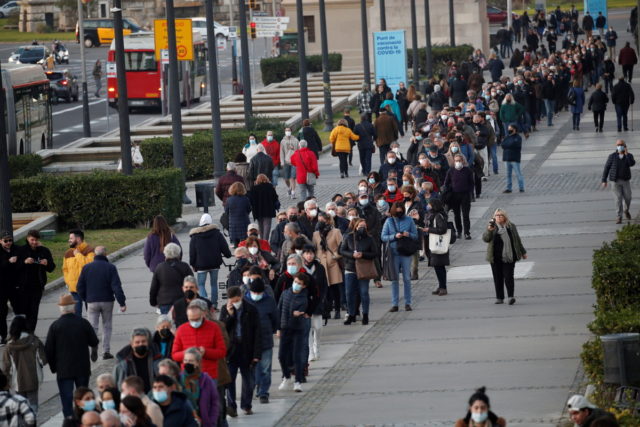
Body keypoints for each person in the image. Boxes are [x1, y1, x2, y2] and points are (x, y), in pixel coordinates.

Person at [45, 294, 99, 418]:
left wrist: (54, 367)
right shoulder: (82, 322)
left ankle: (69, 421)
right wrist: (93, 353)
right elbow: (94, 341)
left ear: (61, 309)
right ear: (73, 307)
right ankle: (84, 420)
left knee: (66, 398)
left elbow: (48, 350)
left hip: (64, 369)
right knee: (83, 397)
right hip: (82, 367)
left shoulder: (55, 326)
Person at [77, 246, 126, 360]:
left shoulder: (86, 268)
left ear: (94, 254)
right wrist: (122, 302)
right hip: (107, 301)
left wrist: (85, 298)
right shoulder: (111, 267)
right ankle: (106, 351)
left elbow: (80, 287)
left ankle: (93, 346)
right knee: (107, 326)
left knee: (93, 327)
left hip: (91, 301)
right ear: (105, 254)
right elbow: (116, 287)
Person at [219, 286, 261, 416]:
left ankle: (246, 405)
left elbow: (257, 333)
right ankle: (232, 407)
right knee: (229, 380)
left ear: (241, 297)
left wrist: (256, 354)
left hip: (246, 350)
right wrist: (230, 315)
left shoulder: (251, 309)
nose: (234, 303)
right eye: (232, 300)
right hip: (231, 350)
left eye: (236, 300)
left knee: (249, 381)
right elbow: (222, 329)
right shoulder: (225, 310)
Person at [172, 300, 227, 383]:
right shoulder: (181, 330)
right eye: (192, 319)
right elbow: (175, 355)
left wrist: (206, 352)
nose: (194, 322)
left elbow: (222, 352)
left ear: (202, 315)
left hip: (209, 375)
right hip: (188, 375)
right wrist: (187, 354)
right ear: (188, 317)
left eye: (197, 319)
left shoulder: (214, 328)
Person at [482, 209, 527, 305]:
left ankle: (510, 296)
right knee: (497, 278)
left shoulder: (511, 226)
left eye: (501, 215)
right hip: (495, 257)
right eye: (497, 215)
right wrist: (489, 230)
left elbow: (517, 240)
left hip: (509, 257)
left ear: (505, 216)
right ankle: (499, 297)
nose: (498, 217)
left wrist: (523, 252)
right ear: (494, 217)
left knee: (508, 277)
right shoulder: (492, 227)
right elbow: (486, 239)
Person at [1, 316, 46, 412]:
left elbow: (6, 367)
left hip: (17, 381)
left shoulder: (9, 346)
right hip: (33, 379)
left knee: (20, 406)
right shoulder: (34, 341)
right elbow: (43, 360)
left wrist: (6, 382)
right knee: (33, 403)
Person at [243, 278, 277, 403]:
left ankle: (264, 392)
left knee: (265, 368)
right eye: (254, 293)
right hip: (249, 341)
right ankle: (254, 387)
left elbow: (275, 318)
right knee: (252, 367)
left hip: (266, 338)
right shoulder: (245, 301)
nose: (256, 295)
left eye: (259, 293)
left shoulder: (269, 301)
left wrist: (274, 329)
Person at [381, 201, 418, 312]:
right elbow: (383, 237)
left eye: (400, 212)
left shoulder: (409, 220)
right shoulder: (389, 221)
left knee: (407, 278)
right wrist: (394, 236)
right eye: (396, 212)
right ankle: (395, 304)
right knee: (394, 279)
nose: (399, 214)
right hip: (393, 252)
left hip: (405, 252)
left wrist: (408, 234)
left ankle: (408, 303)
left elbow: (416, 236)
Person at [17, 229, 55, 333]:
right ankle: (23, 333)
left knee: (34, 311)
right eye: (32, 239)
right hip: (23, 287)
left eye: (36, 240)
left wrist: (47, 263)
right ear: (27, 238)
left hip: (38, 286)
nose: (34, 242)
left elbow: (52, 268)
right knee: (25, 311)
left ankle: (30, 333)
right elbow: (14, 268)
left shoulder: (44, 251)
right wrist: (24, 262)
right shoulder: (21, 250)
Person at [340, 218, 376, 325]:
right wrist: (352, 255)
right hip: (350, 267)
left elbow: (375, 253)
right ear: (355, 227)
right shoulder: (349, 237)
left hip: (363, 269)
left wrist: (363, 254)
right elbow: (342, 250)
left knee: (364, 292)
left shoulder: (369, 238)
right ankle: (351, 314)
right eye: (360, 226)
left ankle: (365, 314)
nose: (362, 228)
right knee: (349, 293)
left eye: (364, 226)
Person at [188, 213, 231, 303]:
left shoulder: (195, 236)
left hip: (201, 265)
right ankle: (214, 305)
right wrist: (228, 255)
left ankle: (205, 303)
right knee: (214, 285)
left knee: (201, 285)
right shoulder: (217, 233)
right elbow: (224, 247)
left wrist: (192, 263)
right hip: (215, 264)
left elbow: (192, 252)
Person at [277, 273, 309, 393]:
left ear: (303, 286)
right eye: (295, 282)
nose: (296, 285)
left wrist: (296, 314)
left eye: (299, 284)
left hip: (297, 329)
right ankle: (286, 376)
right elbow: (279, 309)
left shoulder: (303, 298)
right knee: (281, 356)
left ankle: (298, 381)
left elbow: (301, 311)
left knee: (297, 356)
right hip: (285, 328)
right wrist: (278, 328)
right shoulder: (285, 293)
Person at [178, 347, 219, 425]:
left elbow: (214, 401)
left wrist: (212, 421)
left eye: (191, 361)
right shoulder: (179, 379)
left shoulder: (206, 379)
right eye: (185, 360)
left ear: (197, 363)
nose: (187, 363)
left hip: (204, 422)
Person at [150, 243, 193, 314]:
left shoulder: (160, 267)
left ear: (165, 254)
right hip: (182, 300)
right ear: (178, 253)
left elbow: (154, 287)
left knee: (168, 323)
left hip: (165, 301)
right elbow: (192, 283)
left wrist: (153, 302)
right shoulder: (185, 266)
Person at [113, 328, 161, 393]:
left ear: (148, 343)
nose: (140, 344)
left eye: (143, 341)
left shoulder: (158, 359)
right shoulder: (122, 363)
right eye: (137, 342)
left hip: (154, 396)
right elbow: (115, 384)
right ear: (132, 344)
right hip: (131, 398)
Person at [62, 229, 95, 316]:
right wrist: (68, 281)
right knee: (76, 314)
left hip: (88, 288)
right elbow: (65, 269)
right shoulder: (68, 253)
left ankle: (90, 329)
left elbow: (88, 265)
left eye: (71, 238)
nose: (69, 240)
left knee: (91, 313)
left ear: (78, 239)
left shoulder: (90, 250)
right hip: (74, 289)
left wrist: (78, 254)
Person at [602, 140, 635, 224]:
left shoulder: (629, 155)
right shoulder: (612, 156)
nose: (620, 146)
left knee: (628, 197)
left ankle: (626, 210)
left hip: (625, 180)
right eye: (618, 145)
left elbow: (631, 163)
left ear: (625, 146)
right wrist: (604, 180)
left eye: (621, 145)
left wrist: (627, 154)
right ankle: (619, 216)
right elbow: (606, 168)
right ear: (616, 146)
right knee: (618, 199)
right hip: (615, 181)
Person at [444, 154, 474, 239]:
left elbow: (471, 183)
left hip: (465, 195)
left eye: (459, 160)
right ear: (454, 161)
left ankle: (467, 232)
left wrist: (470, 193)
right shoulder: (451, 171)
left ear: (463, 161)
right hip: (454, 195)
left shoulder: (467, 170)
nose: (458, 162)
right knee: (457, 215)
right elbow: (446, 183)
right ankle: (459, 231)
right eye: (456, 161)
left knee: (465, 215)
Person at [424, 200, 450, 296]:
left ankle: (443, 287)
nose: (427, 206)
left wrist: (429, 229)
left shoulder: (438, 215)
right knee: (437, 266)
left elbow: (442, 229)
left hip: (438, 243)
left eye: (429, 204)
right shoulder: (431, 214)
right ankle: (441, 285)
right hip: (433, 243)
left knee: (439, 266)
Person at [0, 231, 21, 344]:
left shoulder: (16, 249)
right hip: (2, 286)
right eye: (6, 241)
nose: (8, 243)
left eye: (10, 240)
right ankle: (2, 335)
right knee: (2, 312)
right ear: (1, 241)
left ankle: (17, 333)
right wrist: (8, 261)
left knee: (18, 309)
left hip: (14, 285)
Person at [248, 174, 280, 241]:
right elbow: (275, 197)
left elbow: (250, 200)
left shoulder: (254, 188)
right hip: (268, 209)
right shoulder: (270, 187)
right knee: (267, 225)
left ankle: (262, 239)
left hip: (258, 210)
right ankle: (265, 240)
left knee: (260, 225)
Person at [225, 181, 252, 246]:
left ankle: (237, 251)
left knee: (235, 242)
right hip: (244, 222)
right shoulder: (245, 199)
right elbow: (249, 209)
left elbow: (227, 212)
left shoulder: (229, 200)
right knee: (244, 241)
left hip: (233, 223)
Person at [501, 124, 525, 194]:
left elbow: (513, 145)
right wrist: (508, 144)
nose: (508, 130)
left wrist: (507, 145)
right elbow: (503, 145)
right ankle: (509, 188)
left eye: (510, 128)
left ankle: (521, 187)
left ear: (514, 129)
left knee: (518, 174)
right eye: (508, 128)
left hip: (514, 158)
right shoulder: (507, 137)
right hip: (507, 158)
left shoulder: (518, 137)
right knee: (508, 174)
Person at [280, 127, 300, 198]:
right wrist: (282, 161)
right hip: (286, 161)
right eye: (286, 130)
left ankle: (293, 192)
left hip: (294, 162)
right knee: (286, 178)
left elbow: (299, 150)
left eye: (288, 130)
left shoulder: (295, 140)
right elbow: (281, 152)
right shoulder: (283, 141)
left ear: (291, 131)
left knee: (292, 177)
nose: (287, 131)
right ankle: (289, 188)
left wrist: (298, 160)